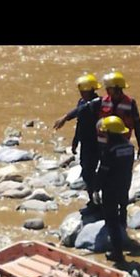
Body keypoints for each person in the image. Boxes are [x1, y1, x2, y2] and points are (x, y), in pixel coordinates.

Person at [53, 74, 103, 214]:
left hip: (96, 143)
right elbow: (80, 123)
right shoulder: (81, 101)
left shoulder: (97, 102)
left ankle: (97, 200)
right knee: (86, 172)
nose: (81, 92)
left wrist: (65, 117)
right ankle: (93, 199)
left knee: (92, 172)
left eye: (83, 90)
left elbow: (82, 111)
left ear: (91, 90)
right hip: (86, 142)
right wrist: (75, 142)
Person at [95, 116, 134, 267]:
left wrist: (96, 188)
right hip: (124, 185)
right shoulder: (130, 147)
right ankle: (124, 239)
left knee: (111, 220)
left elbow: (103, 171)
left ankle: (117, 253)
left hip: (110, 188)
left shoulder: (110, 150)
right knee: (122, 213)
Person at [99, 71, 140, 161]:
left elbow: (137, 124)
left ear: (117, 88)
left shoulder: (130, 103)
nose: (107, 89)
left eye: (109, 88)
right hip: (104, 143)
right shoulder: (102, 101)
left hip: (122, 144)